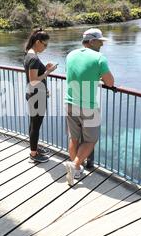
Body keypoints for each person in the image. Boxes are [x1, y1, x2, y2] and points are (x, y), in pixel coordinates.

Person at [64, 28, 115, 186]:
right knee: (91, 139)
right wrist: (98, 77)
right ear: (92, 41)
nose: (102, 45)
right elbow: (110, 82)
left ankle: (76, 170)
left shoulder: (71, 54)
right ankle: (75, 165)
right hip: (88, 106)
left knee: (74, 137)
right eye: (100, 41)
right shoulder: (99, 58)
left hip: (70, 102)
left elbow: (75, 74)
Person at [23, 28, 57, 163]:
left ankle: (34, 148)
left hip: (33, 94)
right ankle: (33, 154)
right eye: (45, 44)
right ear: (38, 42)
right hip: (37, 96)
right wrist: (48, 71)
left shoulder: (28, 54)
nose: (46, 47)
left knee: (33, 123)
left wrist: (44, 68)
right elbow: (34, 80)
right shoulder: (34, 58)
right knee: (35, 125)